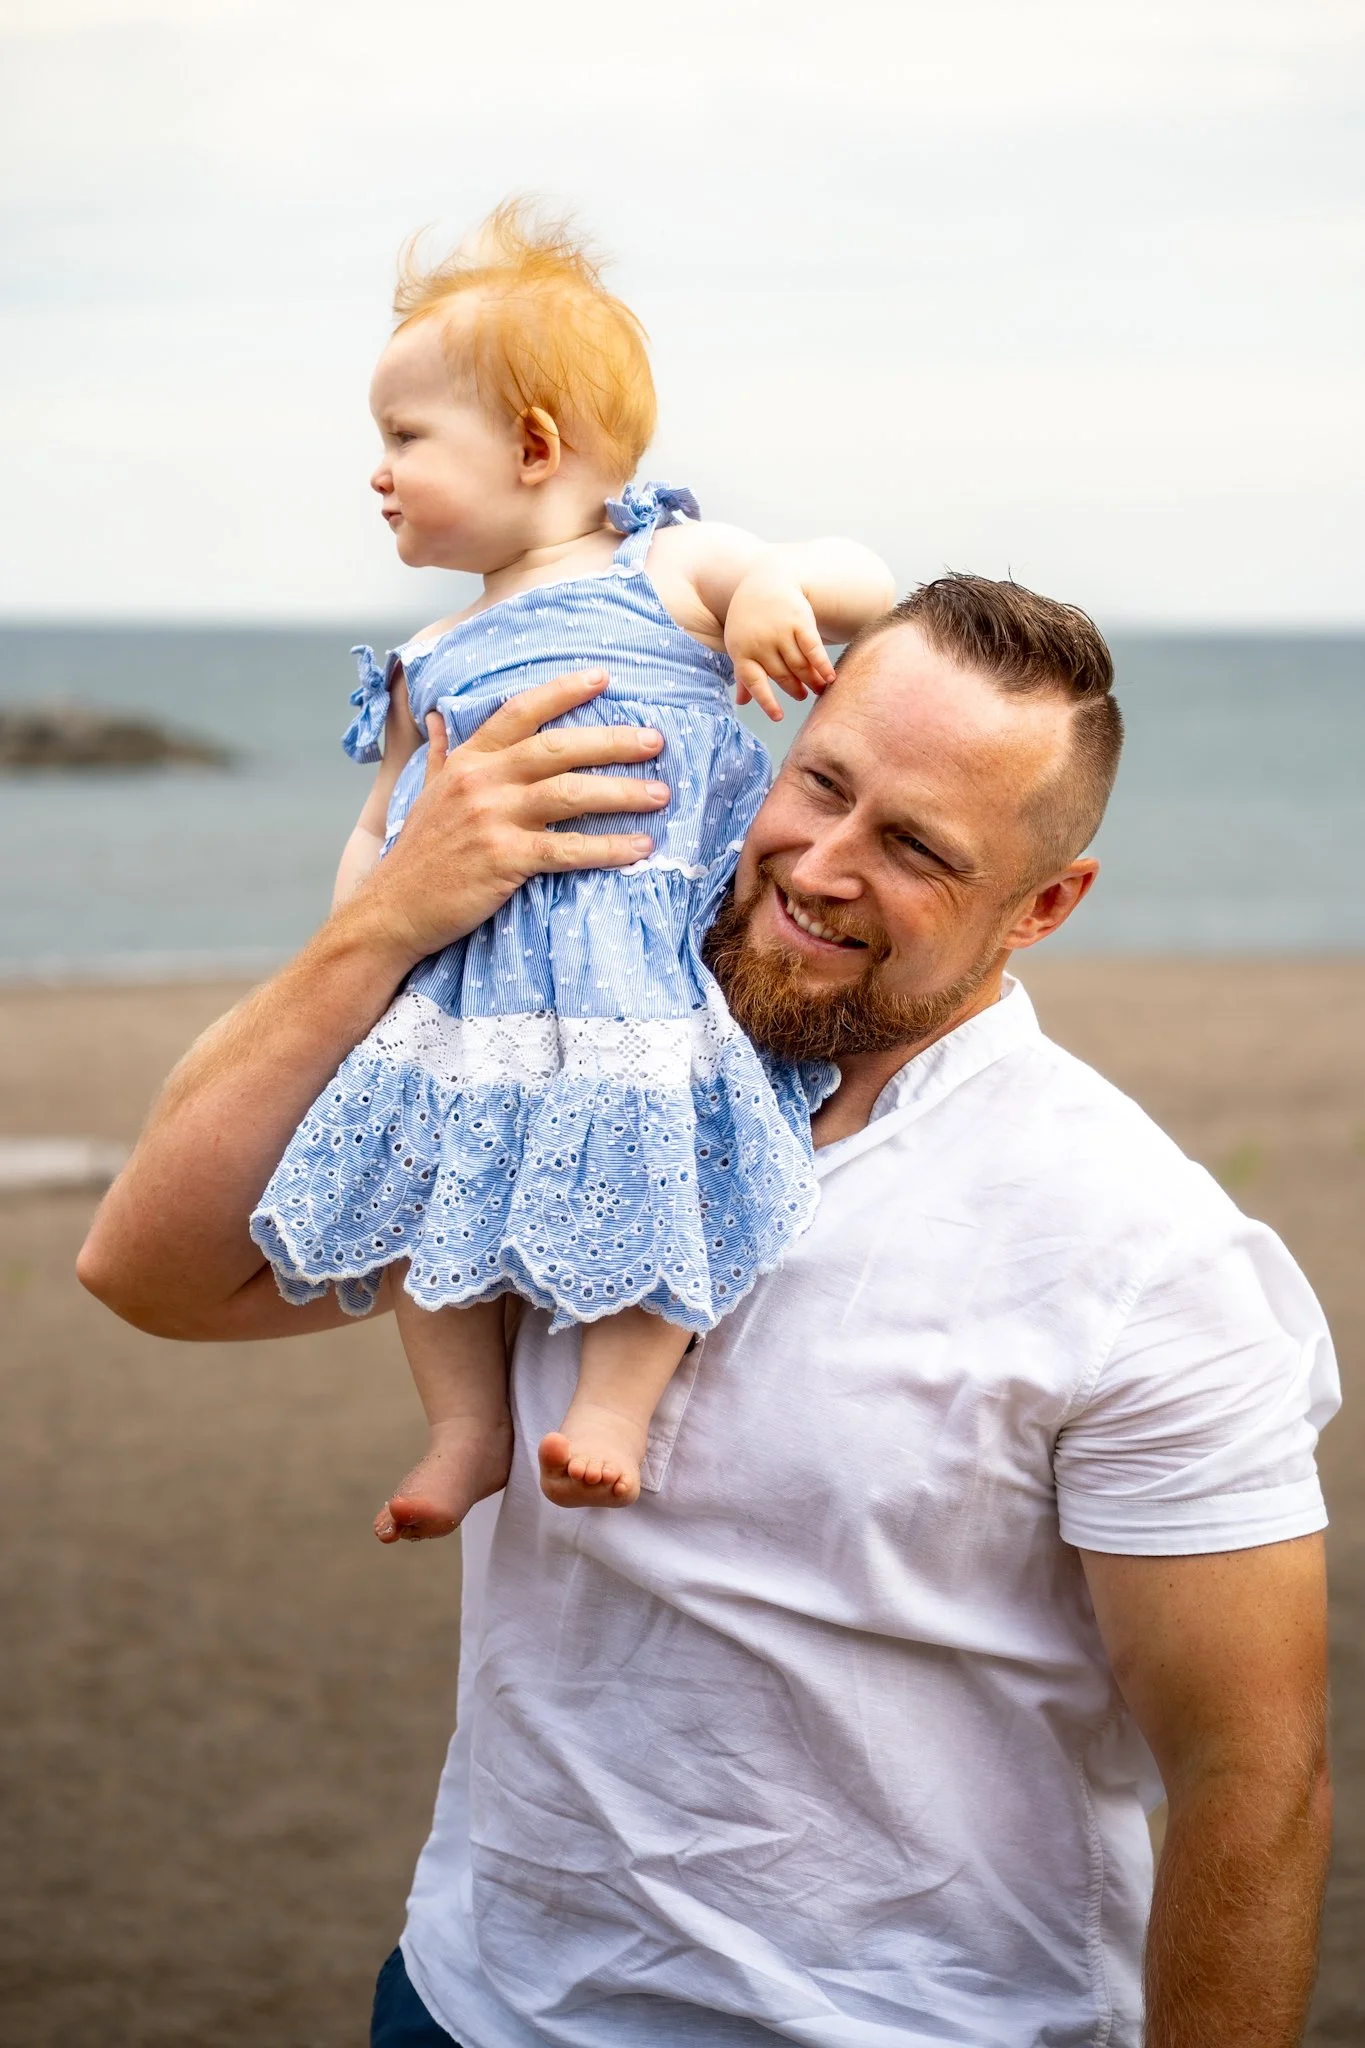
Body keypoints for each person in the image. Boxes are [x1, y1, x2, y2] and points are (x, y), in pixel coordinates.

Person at [79, 575, 1339, 2048]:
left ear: (1045, 905)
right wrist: (388, 921)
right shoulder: (585, 1064)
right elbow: (150, 1270)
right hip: (472, 2005)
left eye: (917, 848)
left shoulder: (1141, 1251)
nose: (817, 863)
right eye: (820, 782)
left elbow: (1255, 1776)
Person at [248, 199, 895, 1536]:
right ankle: (467, 1427)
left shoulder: (668, 565)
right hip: (472, 985)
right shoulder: (433, 650)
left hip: (638, 972)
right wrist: (350, 948)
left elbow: (865, 578)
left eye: (404, 438)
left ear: (535, 445)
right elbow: (384, 826)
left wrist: (776, 587)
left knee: (658, 1162)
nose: (377, 471)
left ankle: (611, 1407)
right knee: (431, 1193)